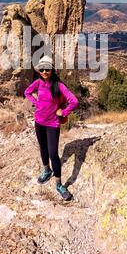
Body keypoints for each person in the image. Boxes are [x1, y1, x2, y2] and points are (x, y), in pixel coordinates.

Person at [24, 55, 79, 201]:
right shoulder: (38, 82)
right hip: (39, 121)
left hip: (52, 123)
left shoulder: (59, 85)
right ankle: (46, 170)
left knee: (53, 154)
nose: (44, 71)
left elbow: (74, 101)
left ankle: (59, 184)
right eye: (41, 69)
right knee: (43, 147)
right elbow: (27, 93)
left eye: (47, 69)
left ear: (52, 69)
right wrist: (36, 103)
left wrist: (64, 112)